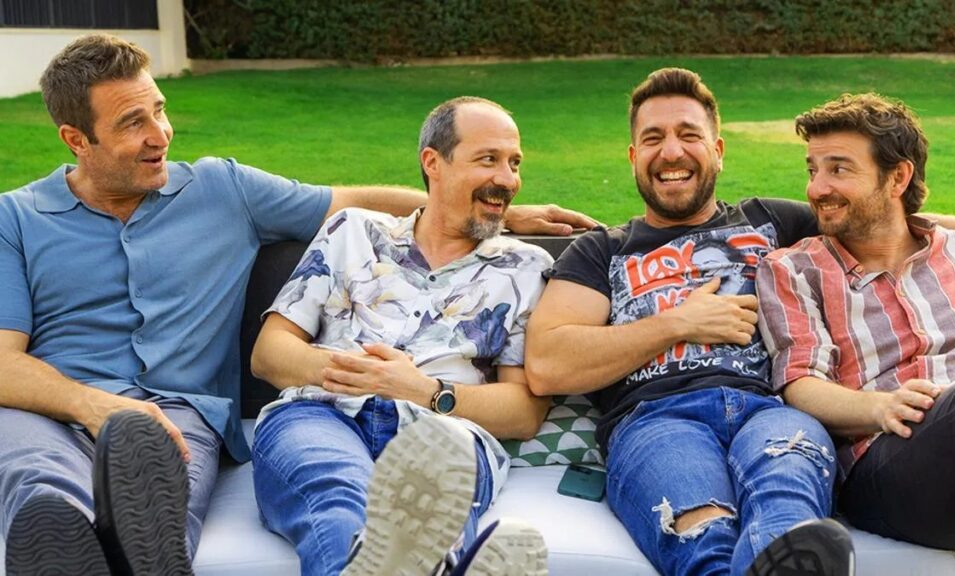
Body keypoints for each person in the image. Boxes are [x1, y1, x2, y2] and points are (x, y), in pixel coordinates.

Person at [0, 34, 593, 575]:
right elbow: (4, 361)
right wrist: (95, 406)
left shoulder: (222, 188)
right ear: (76, 139)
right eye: (134, 122)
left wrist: (490, 211)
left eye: (160, 109)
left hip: (181, 417)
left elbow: (346, 196)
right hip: (56, 409)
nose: (161, 133)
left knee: (177, 496)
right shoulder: (17, 219)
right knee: (45, 494)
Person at [525, 67, 853, 576]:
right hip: (656, 421)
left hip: (770, 410)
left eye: (689, 135)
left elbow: (887, 224)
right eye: (653, 138)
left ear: (718, 150)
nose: (672, 152)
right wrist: (678, 323)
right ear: (634, 157)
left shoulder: (772, 222)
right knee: (701, 531)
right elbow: (548, 364)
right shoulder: (602, 251)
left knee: (786, 506)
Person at [249, 96, 551, 575]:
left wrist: (422, 390)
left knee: (430, 512)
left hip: (443, 432)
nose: (509, 179)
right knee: (338, 500)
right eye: (488, 159)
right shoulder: (353, 231)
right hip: (321, 415)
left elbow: (524, 411)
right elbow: (269, 353)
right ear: (433, 162)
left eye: (514, 163)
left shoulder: (526, 268)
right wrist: (363, 376)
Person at [756, 93, 955, 575]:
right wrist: (878, 407)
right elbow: (800, 382)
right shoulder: (795, 269)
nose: (816, 189)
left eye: (838, 169)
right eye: (812, 169)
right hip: (895, 462)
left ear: (897, 177)